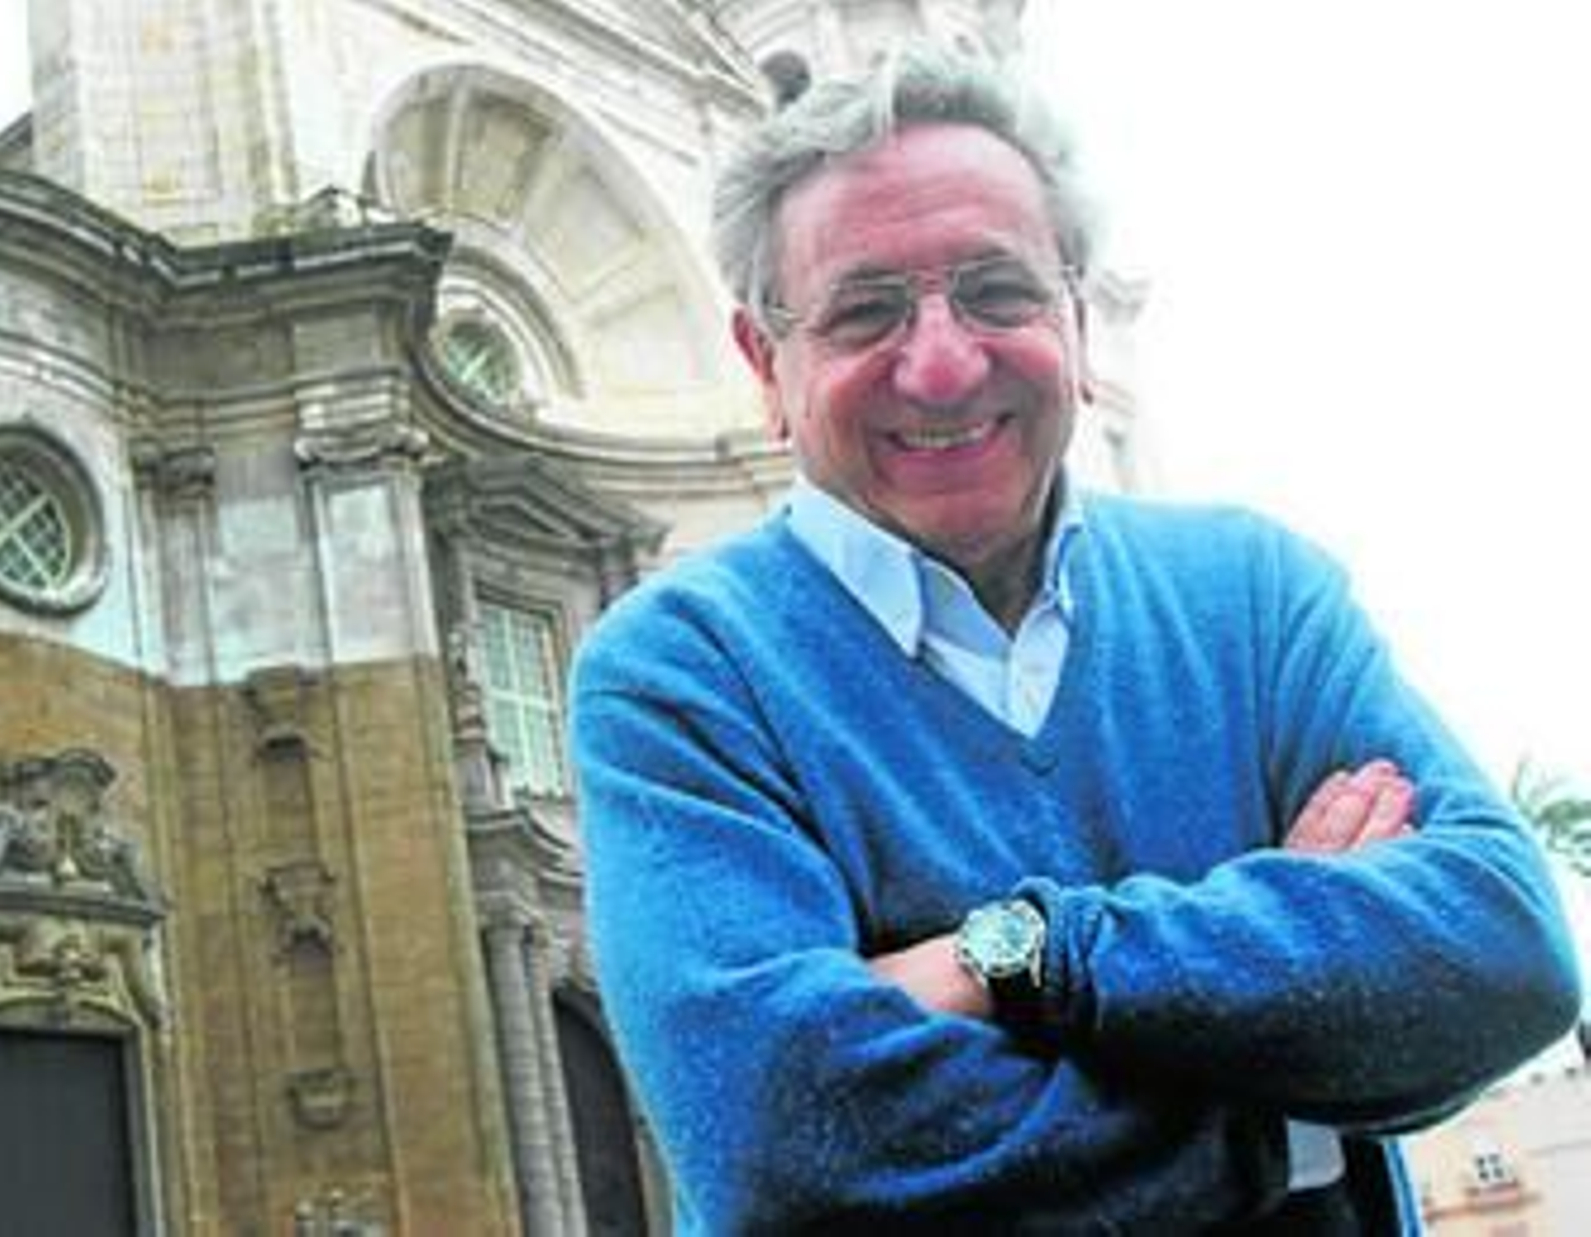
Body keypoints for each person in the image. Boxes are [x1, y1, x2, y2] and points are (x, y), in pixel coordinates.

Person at [568, 42, 1582, 1234]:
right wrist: (1297, 1115)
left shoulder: (1253, 593)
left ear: (1077, 316)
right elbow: (787, 1138)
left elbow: (1505, 952)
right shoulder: (679, 670)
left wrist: (1023, 953)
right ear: (765, 364)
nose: (942, 363)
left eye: (996, 292)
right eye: (864, 311)